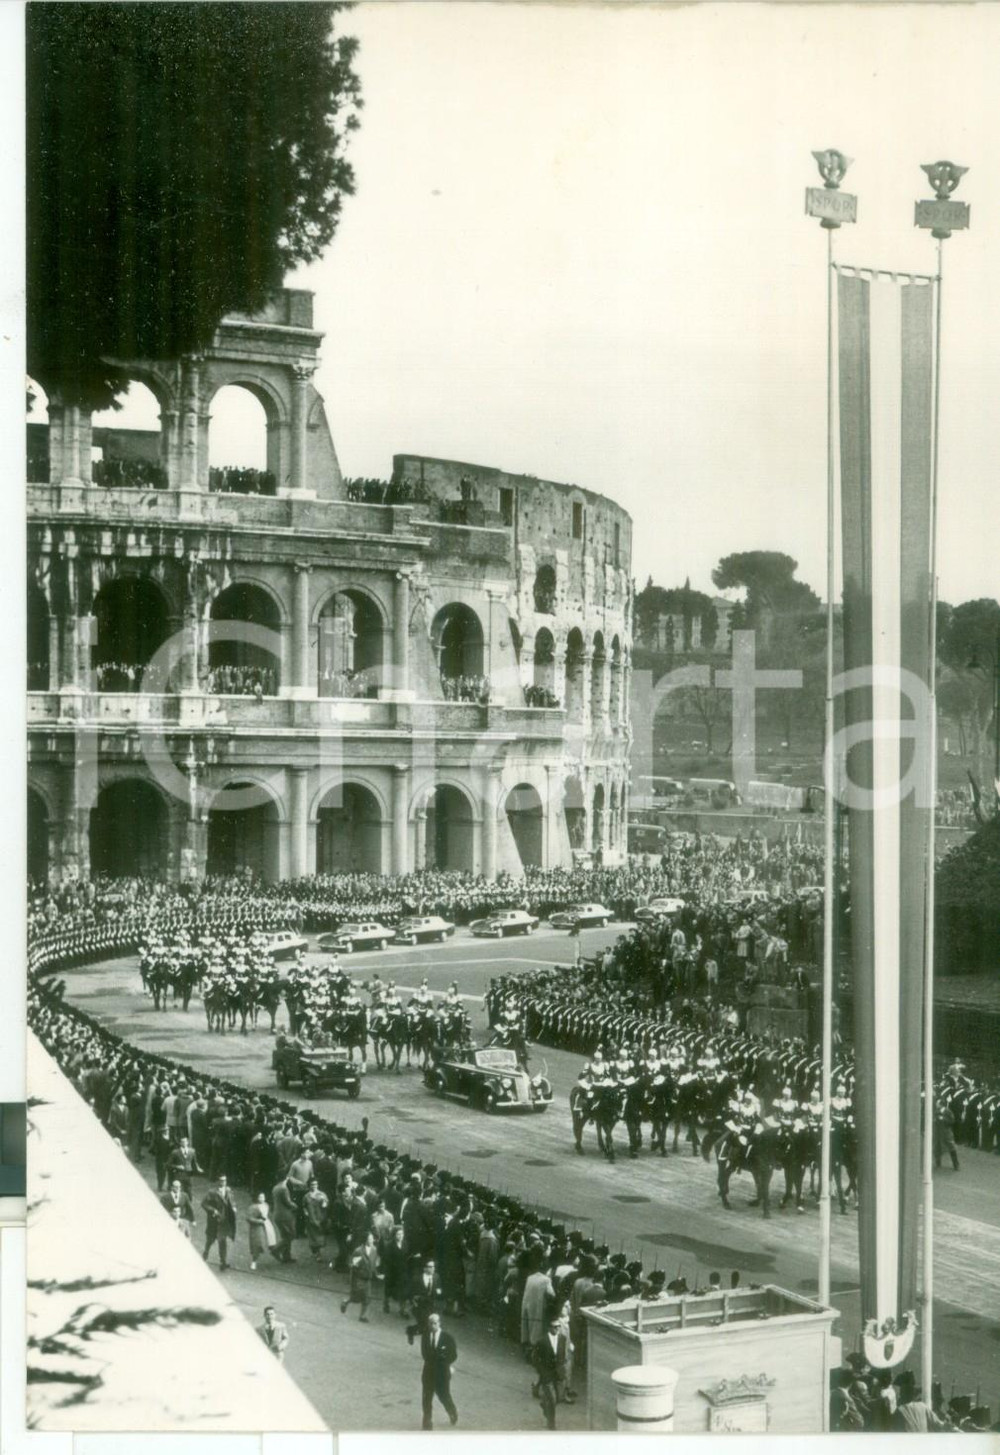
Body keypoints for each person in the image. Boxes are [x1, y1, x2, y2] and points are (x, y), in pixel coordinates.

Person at [532, 1312, 572, 1429]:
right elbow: (535, 1358)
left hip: (558, 1373)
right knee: (553, 1399)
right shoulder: (542, 1341)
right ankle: (551, 1423)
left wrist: (564, 1368)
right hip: (547, 1374)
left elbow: (562, 1355)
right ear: (549, 1328)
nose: (557, 1329)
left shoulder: (562, 1339)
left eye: (559, 1326)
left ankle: (544, 1404)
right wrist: (541, 1371)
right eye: (555, 1327)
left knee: (559, 1397)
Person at [420, 1311, 458, 1430]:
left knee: (444, 1396)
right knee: (427, 1398)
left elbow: (453, 1355)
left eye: (435, 1323)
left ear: (439, 1323)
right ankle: (427, 1420)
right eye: (430, 1323)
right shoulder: (425, 1336)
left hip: (442, 1374)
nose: (432, 1326)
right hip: (428, 1373)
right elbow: (424, 1353)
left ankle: (452, 1412)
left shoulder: (447, 1338)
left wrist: (443, 1362)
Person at [201, 1174, 237, 1270]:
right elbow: (204, 1204)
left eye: (224, 1180)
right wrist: (213, 1210)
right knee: (210, 1240)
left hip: (224, 1220)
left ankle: (223, 1262)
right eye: (221, 1180)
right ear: (218, 1181)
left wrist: (233, 1206)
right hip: (214, 1220)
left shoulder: (228, 1190)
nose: (223, 1182)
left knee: (223, 1242)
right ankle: (206, 1253)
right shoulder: (212, 1192)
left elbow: (232, 1200)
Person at [342, 1229, 379, 1322]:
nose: (371, 1241)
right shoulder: (358, 1251)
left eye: (372, 1239)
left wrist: (376, 1273)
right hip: (359, 1278)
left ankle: (362, 1316)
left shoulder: (374, 1250)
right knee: (356, 1297)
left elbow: (374, 1263)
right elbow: (353, 1265)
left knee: (367, 1298)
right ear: (365, 1240)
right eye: (369, 1239)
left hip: (368, 1278)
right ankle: (346, 1302)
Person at [246, 1190, 279, 1271]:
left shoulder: (266, 1205)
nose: (262, 1199)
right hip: (257, 1227)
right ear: (256, 1198)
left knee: (271, 1241)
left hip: (267, 1225)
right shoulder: (253, 1207)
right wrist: (259, 1221)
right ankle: (254, 1262)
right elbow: (249, 1218)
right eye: (260, 1197)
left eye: (263, 1197)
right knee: (257, 1244)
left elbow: (268, 1215)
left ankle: (277, 1255)